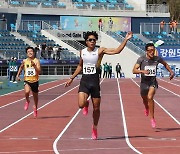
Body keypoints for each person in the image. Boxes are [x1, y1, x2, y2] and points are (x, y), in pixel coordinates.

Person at [65, 31, 132, 139]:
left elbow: (117, 51)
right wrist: (71, 78)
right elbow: (80, 66)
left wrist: (126, 40)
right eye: (90, 40)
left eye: (94, 40)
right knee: (80, 104)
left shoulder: (100, 51)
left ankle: (94, 128)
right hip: (85, 81)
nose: (92, 41)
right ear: (86, 41)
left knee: (96, 109)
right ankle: (86, 104)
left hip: (95, 83)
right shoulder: (82, 52)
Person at [132, 43, 174, 128]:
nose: (152, 52)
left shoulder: (157, 59)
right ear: (146, 51)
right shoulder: (141, 59)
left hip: (152, 82)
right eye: (150, 50)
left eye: (153, 50)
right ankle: (146, 107)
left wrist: (171, 72)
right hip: (144, 83)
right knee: (144, 99)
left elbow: (165, 64)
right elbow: (134, 70)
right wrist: (142, 71)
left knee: (150, 97)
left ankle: (152, 118)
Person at [16, 47, 41, 118]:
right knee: (26, 92)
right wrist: (18, 75)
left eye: (31, 51)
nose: (30, 52)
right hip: (27, 80)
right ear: (26, 53)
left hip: (35, 81)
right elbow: (21, 67)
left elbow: (39, 71)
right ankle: (27, 101)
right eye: (28, 51)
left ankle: (35, 108)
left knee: (35, 97)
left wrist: (34, 66)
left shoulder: (36, 61)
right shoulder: (24, 61)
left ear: (34, 52)